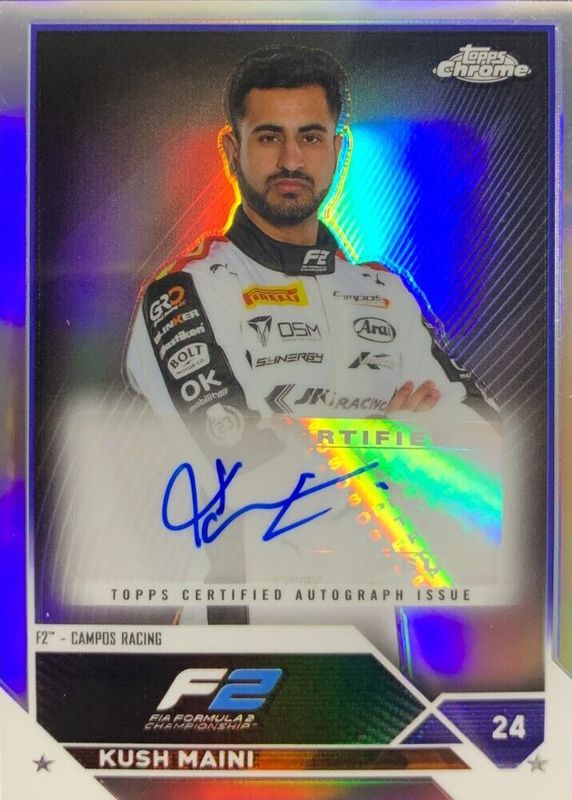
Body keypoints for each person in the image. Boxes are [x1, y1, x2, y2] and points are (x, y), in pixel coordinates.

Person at [125, 45, 499, 640]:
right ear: (232, 151)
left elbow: (486, 446)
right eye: (269, 137)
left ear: (339, 151)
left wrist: (332, 442)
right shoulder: (184, 294)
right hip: (241, 641)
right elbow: (247, 467)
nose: (291, 159)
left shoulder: (385, 291)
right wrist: (397, 440)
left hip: (379, 642)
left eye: (311, 137)